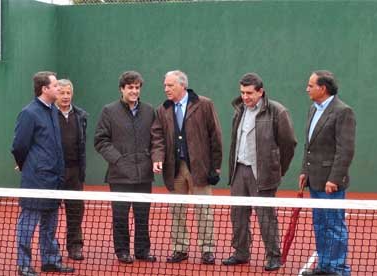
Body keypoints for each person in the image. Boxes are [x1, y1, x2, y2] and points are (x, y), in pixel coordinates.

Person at [222, 73, 297, 271]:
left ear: (260, 92)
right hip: (239, 170)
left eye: (249, 93)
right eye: (242, 92)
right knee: (238, 215)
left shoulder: (277, 111)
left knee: (265, 216)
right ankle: (241, 253)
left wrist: (277, 168)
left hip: (263, 174)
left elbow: (288, 144)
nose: (245, 97)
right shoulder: (239, 110)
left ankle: (273, 256)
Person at [151, 70, 222, 265]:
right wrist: (158, 158)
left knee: (204, 210)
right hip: (174, 169)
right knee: (176, 210)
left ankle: (207, 250)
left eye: (170, 85)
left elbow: (215, 136)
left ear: (182, 85)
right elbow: (157, 138)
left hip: (200, 168)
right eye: (165, 85)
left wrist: (215, 167)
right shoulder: (162, 109)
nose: (166, 89)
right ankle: (179, 248)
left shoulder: (204, 105)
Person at [11, 71, 74, 276]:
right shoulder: (29, 113)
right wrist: (25, 165)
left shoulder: (52, 111)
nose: (59, 89)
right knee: (27, 225)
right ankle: (24, 265)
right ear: (45, 89)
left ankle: (50, 260)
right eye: (55, 86)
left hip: (54, 180)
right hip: (36, 180)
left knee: (50, 224)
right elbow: (19, 146)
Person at [94, 71, 156, 264]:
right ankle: (122, 251)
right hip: (119, 175)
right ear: (122, 89)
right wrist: (119, 161)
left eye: (137, 87)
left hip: (144, 175)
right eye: (130, 87)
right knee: (120, 216)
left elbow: (156, 139)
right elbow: (101, 141)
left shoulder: (149, 111)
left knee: (142, 215)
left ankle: (142, 251)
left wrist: (152, 159)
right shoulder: (109, 111)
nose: (134, 91)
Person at [299, 70, 356, 276]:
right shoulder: (313, 110)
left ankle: (339, 270)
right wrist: (304, 171)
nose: (307, 89)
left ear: (322, 88)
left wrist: (334, 178)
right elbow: (309, 145)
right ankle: (324, 266)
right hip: (314, 180)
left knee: (334, 226)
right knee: (320, 224)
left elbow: (345, 150)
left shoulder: (343, 112)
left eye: (310, 85)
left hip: (330, 184)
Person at [55, 79, 88, 261]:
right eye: (62, 93)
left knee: (76, 210)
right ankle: (51, 247)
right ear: (55, 94)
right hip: (54, 172)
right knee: (50, 211)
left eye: (68, 93)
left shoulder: (81, 115)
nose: (66, 96)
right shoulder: (49, 115)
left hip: (75, 171)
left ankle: (75, 246)